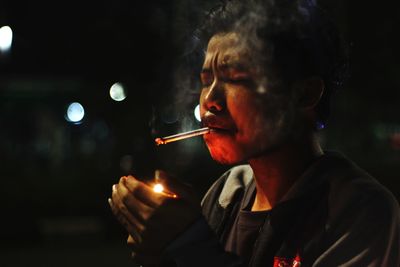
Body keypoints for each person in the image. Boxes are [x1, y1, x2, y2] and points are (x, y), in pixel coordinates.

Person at [108, 0, 400, 266]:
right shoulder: (227, 197)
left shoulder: (358, 210)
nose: (210, 99)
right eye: (206, 79)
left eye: (235, 78)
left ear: (304, 94)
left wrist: (188, 244)